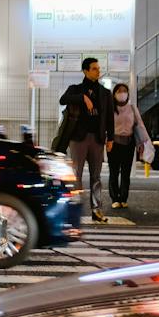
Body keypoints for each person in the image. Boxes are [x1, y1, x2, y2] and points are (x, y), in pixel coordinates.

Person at [58, 57, 114, 222]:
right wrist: (83, 97)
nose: (98, 71)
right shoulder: (75, 89)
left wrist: (110, 138)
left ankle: (96, 210)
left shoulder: (105, 93)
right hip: (78, 138)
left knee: (96, 176)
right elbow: (63, 99)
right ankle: (73, 210)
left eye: (98, 68)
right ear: (85, 71)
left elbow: (109, 117)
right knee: (76, 175)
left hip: (97, 139)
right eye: (95, 68)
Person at [108, 82, 152, 210]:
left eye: (124, 91)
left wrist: (143, 143)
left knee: (126, 173)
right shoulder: (110, 108)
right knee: (114, 172)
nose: (122, 93)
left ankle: (123, 198)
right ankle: (115, 198)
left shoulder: (132, 108)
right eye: (119, 91)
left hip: (129, 143)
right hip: (113, 144)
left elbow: (140, 125)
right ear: (114, 94)